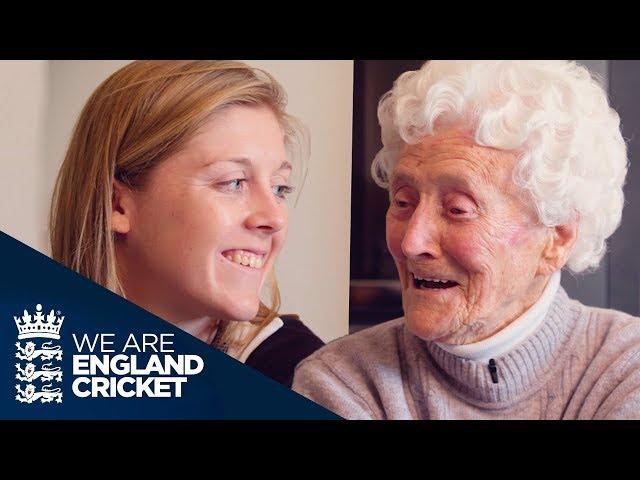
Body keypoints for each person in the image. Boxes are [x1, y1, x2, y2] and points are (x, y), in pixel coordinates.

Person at [293, 60, 640, 418]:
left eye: (458, 209)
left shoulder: (626, 372)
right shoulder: (343, 382)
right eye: (403, 202)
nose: (411, 242)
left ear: (557, 238)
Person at [50, 60, 324, 388]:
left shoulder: (306, 377)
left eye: (280, 188)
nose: (275, 218)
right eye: (234, 182)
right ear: (116, 204)